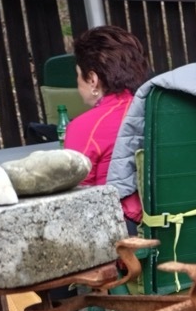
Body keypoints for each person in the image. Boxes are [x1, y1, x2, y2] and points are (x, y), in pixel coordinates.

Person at [65, 25, 152, 222]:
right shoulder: (158, 110)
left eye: (78, 74)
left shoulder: (85, 127)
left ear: (92, 79)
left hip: (120, 230)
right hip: (172, 223)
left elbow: (75, 200)